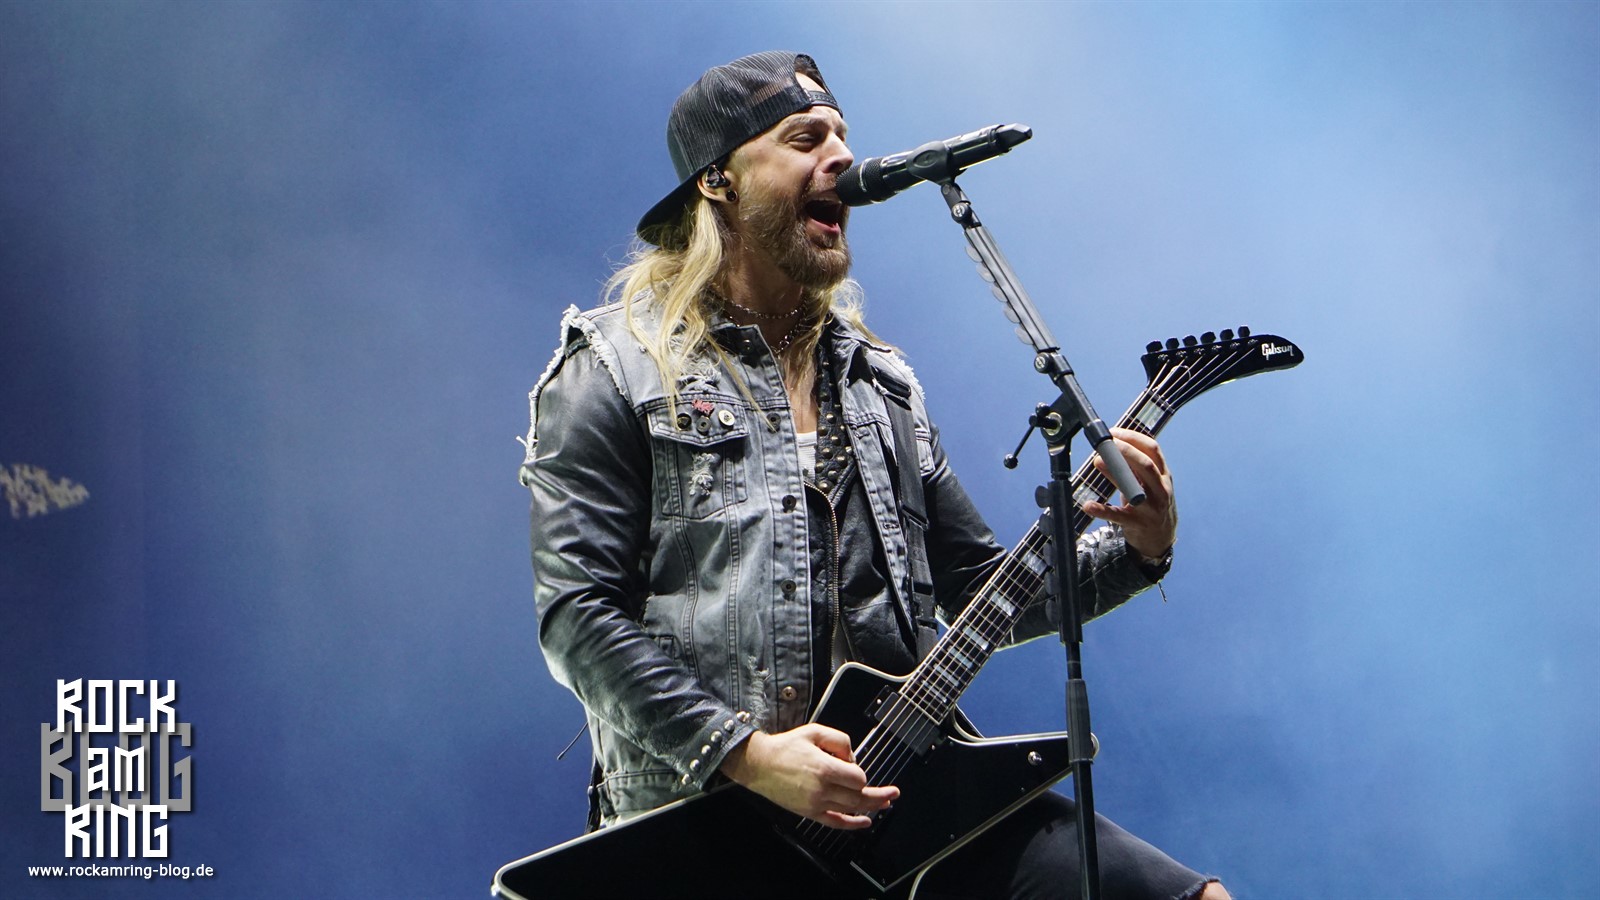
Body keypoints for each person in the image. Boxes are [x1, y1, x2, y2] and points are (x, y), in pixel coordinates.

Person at [519, 51, 1228, 900]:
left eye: (843, 135)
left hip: (904, 796)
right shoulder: (615, 367)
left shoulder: (879, 385)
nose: (843, 157)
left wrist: (1139, 551)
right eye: (805, 138)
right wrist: (746, 753)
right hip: (714, 821)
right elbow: (576, 615)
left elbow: (979, 591)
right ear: (718, 181)